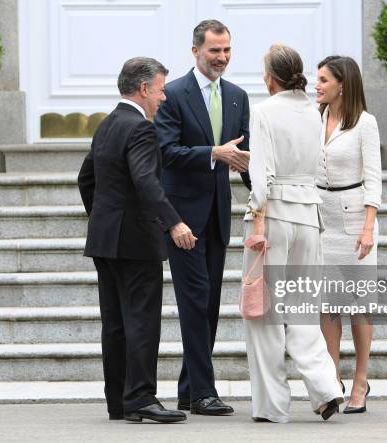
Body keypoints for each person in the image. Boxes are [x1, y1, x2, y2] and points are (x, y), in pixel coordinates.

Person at [78, 57, 196, 423]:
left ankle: (119, 401)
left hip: (104, 240)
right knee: (142, 320)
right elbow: (147, 182)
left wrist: (103, 219)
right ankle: (142, 398)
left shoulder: (107, 125)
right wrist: (174, 223)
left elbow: (86, 179)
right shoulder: (141, 129)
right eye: (161, 90)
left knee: (114, 323)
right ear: (144, 89)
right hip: (136, 242)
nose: (163, 98)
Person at [154, 19, 251, 416]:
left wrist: (266, 194)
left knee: (208, 304)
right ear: (195, 51)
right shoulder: (172, 94)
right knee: (194, 302)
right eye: (215, 50)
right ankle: (203, 393)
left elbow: (244, 156)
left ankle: (188, 388)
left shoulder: (237, 96)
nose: (222, 58)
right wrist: (214, 153)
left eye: (227, 50)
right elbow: (167, 152)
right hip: (183, 219)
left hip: (218, 217)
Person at [242, 44, 344, 423]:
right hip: (308, 215)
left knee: (262, 313)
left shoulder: (266, 111)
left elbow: (262, 177)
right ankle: (326, 388)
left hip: (274, 217)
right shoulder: (314, 111)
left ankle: (271, 405)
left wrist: (256, 219)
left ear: (270, 77)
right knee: (301, 309)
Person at [315, 55, 382, 414]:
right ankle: (332, 380)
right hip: (322, 221)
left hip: (356, 222)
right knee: (328, 307)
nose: (317, 84)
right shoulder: (317, 118)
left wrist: (369, 227)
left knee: (359, 307)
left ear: (343, 84)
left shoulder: (365, 124)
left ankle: (360, 379)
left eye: (324, 79)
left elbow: (374, 178)